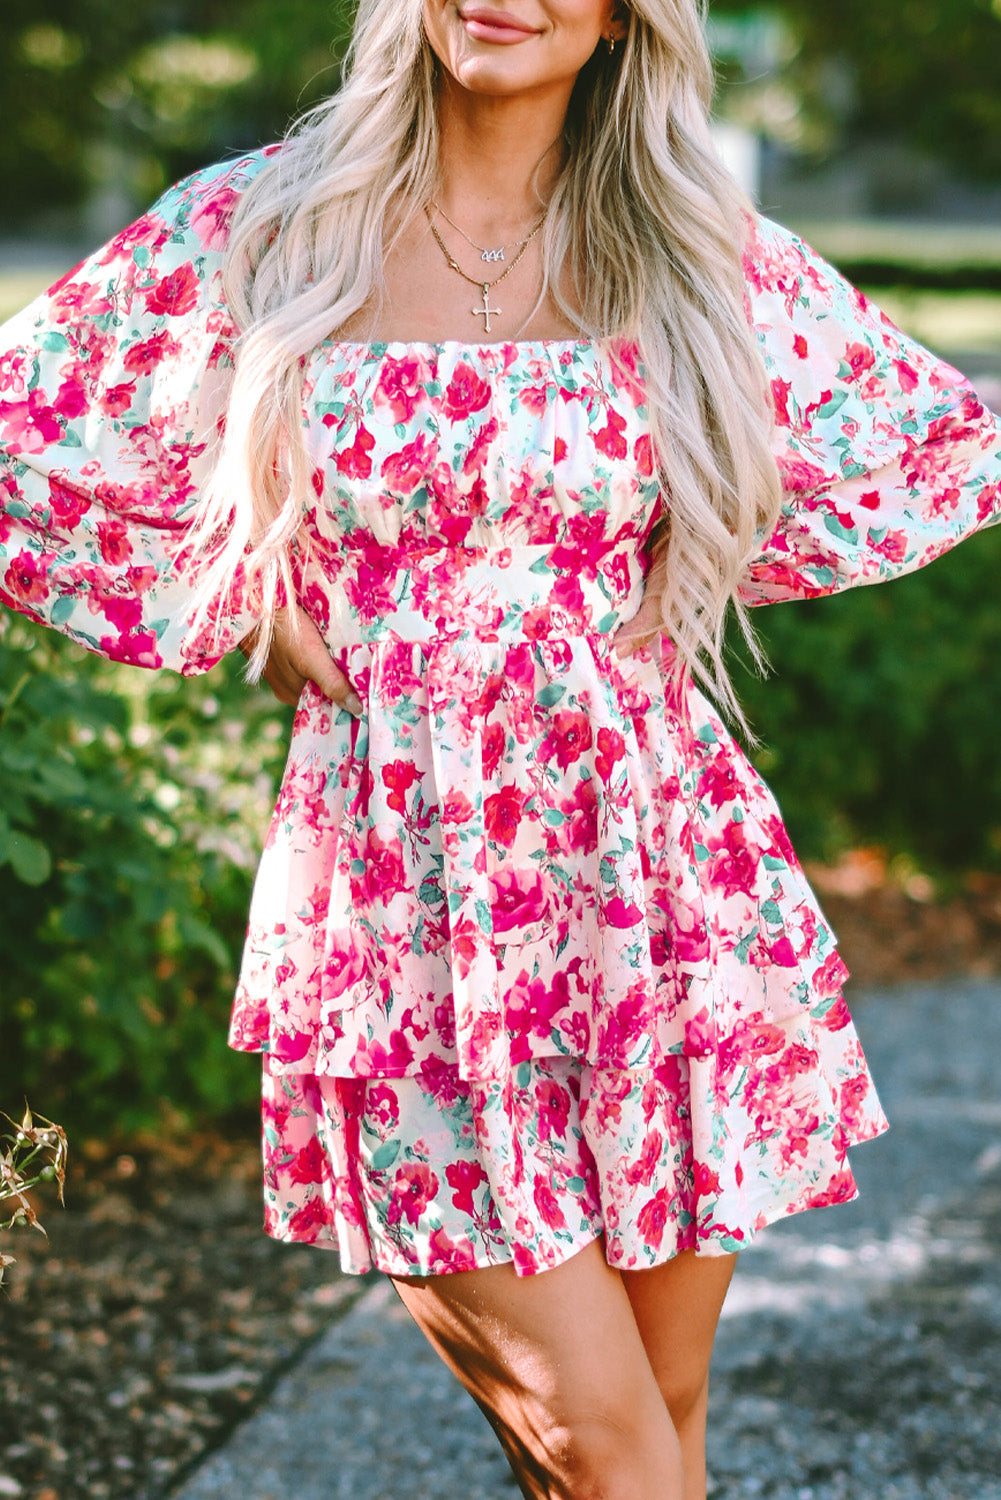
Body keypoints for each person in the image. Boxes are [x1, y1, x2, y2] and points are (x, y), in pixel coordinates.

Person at [1, 2, 999, 1496]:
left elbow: (937, 442)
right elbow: (25, 440)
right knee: (606, 1457)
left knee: (651, 1431)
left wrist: (699, 549)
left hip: (657, 893)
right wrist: (233, 592)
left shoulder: (683, 246)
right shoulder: (267, 227)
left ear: (621, 20)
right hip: (402, 904)